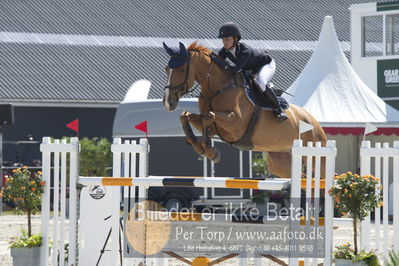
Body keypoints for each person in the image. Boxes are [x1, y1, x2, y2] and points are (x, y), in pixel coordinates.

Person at [215, 22, 288, 122]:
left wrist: (221, 63)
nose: (224, 42)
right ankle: (269, 92)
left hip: (266, 64)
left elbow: (235, 69)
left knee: (261, 82)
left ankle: (279, 111)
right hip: (251, 69)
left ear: (235, 39)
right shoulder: (225, 50)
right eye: (223, 39)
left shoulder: (245, 51)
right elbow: (218, 63)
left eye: (227, 39)